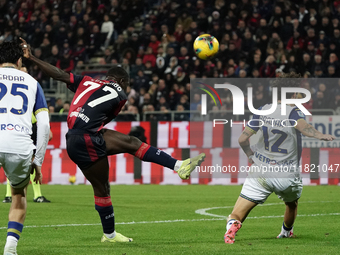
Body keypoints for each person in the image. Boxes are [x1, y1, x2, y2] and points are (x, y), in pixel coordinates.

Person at [21, 38, 205, 243]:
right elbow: (104, 114)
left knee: (131, 143)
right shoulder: (121, 94)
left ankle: (179, 165)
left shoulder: (86, 81)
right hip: (87, 139)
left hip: (75, 136)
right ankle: (109, 235)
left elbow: (58, 74)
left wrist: (32, 58)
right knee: (104, 187)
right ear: (123, 81)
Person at [224, 72, 335, 244]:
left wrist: (250, 155)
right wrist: (320, 135)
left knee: (237, 212)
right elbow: (305, 128)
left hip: (261, 172)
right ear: (294, 93)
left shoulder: (262, 111)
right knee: (292, 203)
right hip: (287, 175)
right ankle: (286, 232)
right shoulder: (293, 112)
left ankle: (232, 225)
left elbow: (242, 139)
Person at [0, 41, 50, 255]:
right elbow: (45, 125)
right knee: (19, 195)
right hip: (19, 145)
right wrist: (38, 160)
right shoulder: (32, 82)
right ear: (19, 60)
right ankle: (10, 249)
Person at [3, 66, 53, 204]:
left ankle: (37, 195)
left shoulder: (29, 86)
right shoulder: (28, 85)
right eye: (22, 70)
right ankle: (9, 194)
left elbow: (41, 113)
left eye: (26, 71)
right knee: (16, 161)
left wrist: (48, 129)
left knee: (25, 161)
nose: (24, 72)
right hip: (20, 127)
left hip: (33, 126)